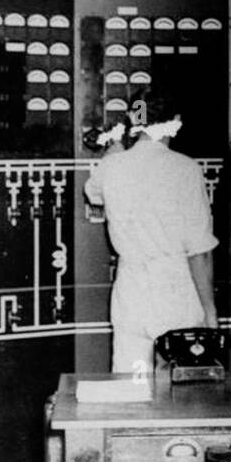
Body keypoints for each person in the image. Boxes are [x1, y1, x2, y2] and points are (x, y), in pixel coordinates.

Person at [83, 97, 219, 373]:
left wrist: (115, 151)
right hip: (175, 290)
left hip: (131, 290)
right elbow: (200, 252)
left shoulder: (112, 166)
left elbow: (93, 193)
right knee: (180, 383)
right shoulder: (186, 169)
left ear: (133, 120)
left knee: (131, 382)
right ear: (176, 123)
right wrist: (209, 310)